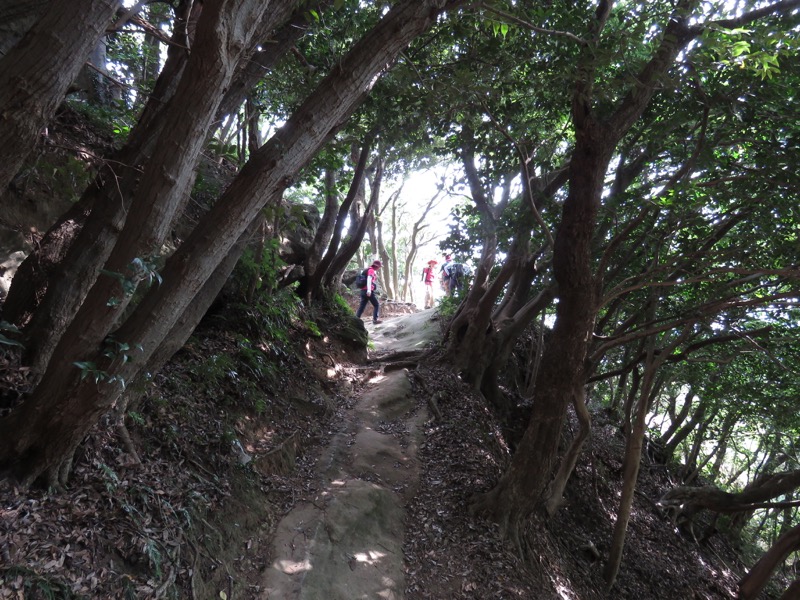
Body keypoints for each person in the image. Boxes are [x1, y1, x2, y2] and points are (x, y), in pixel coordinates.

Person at [356, 259, 383, 324]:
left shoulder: (367, 270)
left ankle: (356, 319)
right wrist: (369, 290)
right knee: (376, 305)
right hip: (368, 291)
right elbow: (369, 279)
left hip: (363, 291)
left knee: (362, 306)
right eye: (379, 267)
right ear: (376, 266)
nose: (379, 268)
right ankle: (375, 319)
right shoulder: (371, 270)